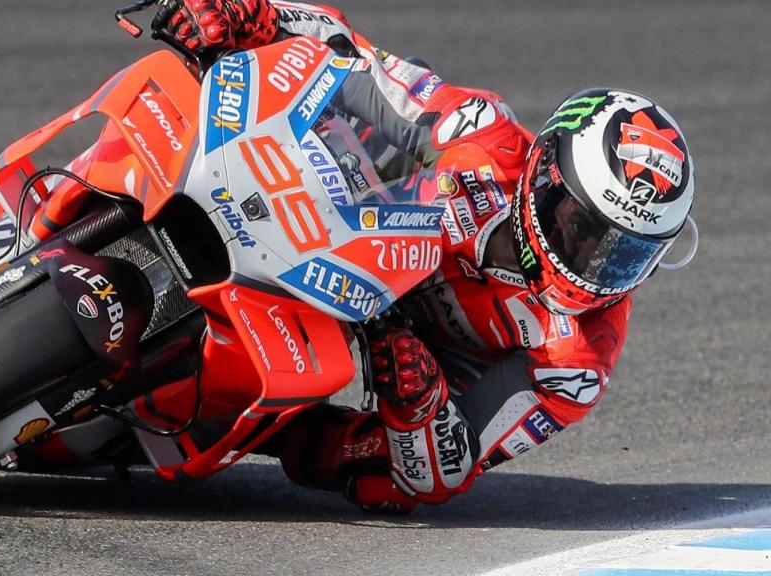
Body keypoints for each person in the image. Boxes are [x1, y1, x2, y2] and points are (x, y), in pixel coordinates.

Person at [152, 0, 697, 512]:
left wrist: (421, 404)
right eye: (584, 228)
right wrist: (257, 15)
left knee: (382, 481)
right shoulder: (482, 134)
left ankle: (218, 422)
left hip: (406, 348)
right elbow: (349, 58)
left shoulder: (577, 361)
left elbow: (452, 470)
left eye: (624, 252)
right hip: (338, 235)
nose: (594, 261)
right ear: (546, 175)